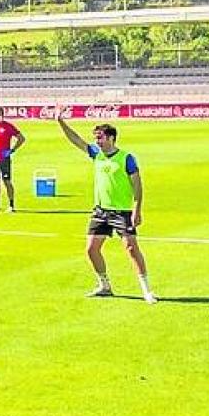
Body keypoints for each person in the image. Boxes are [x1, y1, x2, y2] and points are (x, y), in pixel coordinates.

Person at [56, 109, 157, 303]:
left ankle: (146, 290)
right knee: (91, 249)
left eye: (100, 138)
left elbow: (137, 185)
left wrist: (137, 210)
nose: (97, 141)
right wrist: (60, 122)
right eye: (96, 138)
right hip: (100, 210)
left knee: (131, 248)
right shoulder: (96, 154)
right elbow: (75, 139)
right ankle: (104, 285)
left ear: (111, 138)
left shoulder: (126, 158)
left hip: (122, 212)